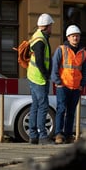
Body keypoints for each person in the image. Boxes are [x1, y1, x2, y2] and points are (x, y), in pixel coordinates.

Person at [51, 25, 86, 144]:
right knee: (61, 110)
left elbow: (85, 70)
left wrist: (82, 84)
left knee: (71, 112)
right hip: (63, 85)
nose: (75, 38)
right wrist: (57, 82)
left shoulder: (83, 53)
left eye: (77, 36)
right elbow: (55, 66)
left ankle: (68, 135)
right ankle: (58, 134)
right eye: (73, 36)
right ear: (68, 37)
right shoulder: (61, 49)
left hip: (76, 87)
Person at [27, 13, 54, 144]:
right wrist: (46, 74)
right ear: (47, 26)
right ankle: (42, 136)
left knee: (35, 105)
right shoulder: (40, 40)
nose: (52, 29)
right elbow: (39, 60)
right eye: (51, 26)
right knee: (43, 106)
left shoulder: (38, 36)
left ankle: (33, 136)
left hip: (33, 76)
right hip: (39, 78)